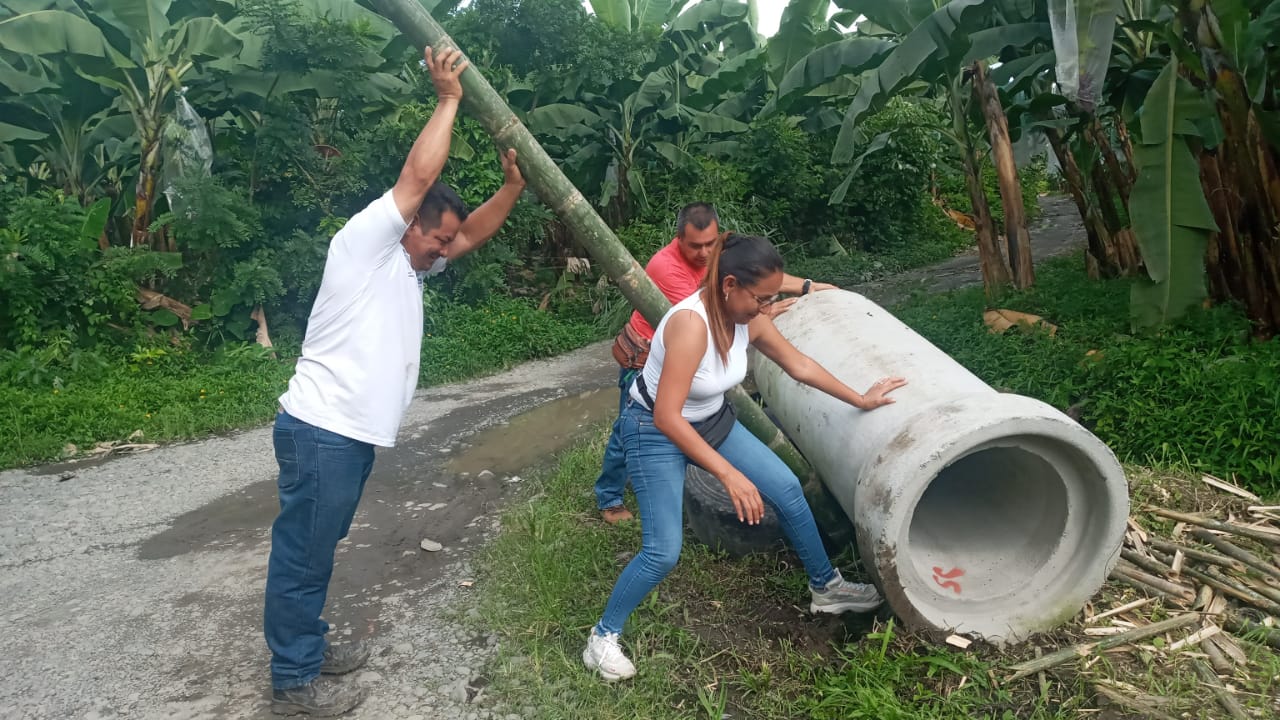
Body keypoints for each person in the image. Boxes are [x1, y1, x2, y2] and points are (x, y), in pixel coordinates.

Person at [264, 46, 526, 716]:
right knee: (302, 554)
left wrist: (511, 189)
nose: (445, 249)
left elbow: (470, 236)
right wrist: (449, 100)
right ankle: (293, 678)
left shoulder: (411, 266)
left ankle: (307, 645)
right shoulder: (363, 246)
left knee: (318, 547)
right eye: (437, 238)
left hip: (345, 437)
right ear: (408, 225)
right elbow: (416, 176)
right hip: (322, 430)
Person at [581, 233, 907, 682]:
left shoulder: (747, 318)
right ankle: (602, 637)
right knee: (663, 552)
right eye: (762, 298)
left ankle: (827, 587)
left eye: (771, 298)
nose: (767, 307)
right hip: (654, 430)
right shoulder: (691, 326)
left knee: (787, 488)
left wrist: (860, 397)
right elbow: (667, 416)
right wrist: (729, 475)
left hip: (711, 419)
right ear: (730, 285)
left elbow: (799, 365)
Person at [597, 203, 837, 523]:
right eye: (695, 246)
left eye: (711, 244)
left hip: (692, 356)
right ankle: (610, 496)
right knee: (628, 429)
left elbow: (757, 275)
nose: (705, 253)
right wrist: (761, 312)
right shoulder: (666, 268)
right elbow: (713, 314)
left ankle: (650, 472)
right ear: (678, 239)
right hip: (647, 357)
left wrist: (806, 286)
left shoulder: (716, 260)